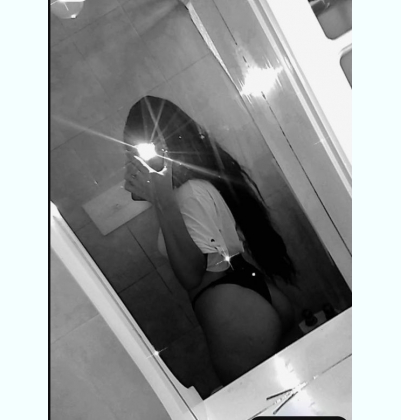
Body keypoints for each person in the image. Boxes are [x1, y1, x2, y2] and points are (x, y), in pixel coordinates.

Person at [123, 96, 296, 386]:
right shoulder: (197, 186)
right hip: (249, 295)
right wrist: (158, 196)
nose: (132, 163)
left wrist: (162, 200)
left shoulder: (188, 194)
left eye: (133, 152)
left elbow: (192, 274)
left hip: (231, 311)